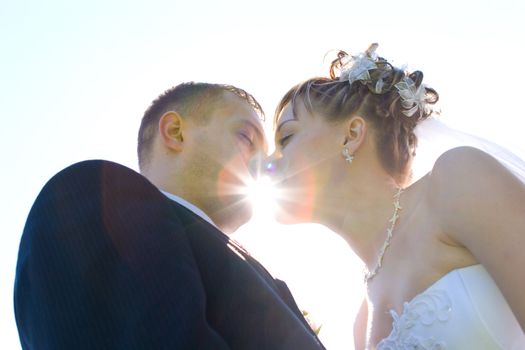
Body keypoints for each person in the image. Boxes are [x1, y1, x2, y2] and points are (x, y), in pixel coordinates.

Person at [14, 82, 325, 349]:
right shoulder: (93, 200)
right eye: (246, 138)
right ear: (175, 132)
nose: (264, 165)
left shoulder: (267, 278)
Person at [267, 44, 525, 349]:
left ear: (351, 135)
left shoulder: (456, 181)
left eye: (287, 137)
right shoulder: (361, 323)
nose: (269, 161)